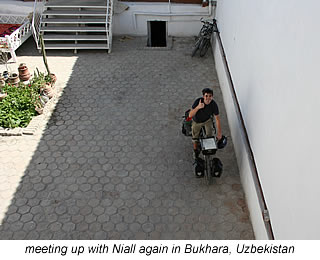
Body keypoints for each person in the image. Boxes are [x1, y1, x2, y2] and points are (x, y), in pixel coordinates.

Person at [189, 88, 222, 167]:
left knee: (209, 136)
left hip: (207, 120)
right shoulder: (198, 102)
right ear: (203, 96)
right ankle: (195, 151)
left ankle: (208, 150)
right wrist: (198, 107)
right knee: (195, 138)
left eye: (210, 96)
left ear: (212, 97)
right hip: (197, 121)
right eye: (206, 96)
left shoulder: (213, 105)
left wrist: (219, 132)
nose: (208, 98)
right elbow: (190, 115)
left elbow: (217, 119)